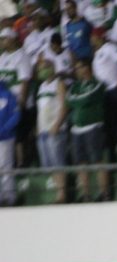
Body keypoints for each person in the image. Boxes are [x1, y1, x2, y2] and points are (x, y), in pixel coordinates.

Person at [67, 59, 108, 201]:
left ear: (87, 68)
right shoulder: (75, 86)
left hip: (93, 127)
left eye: (80, 67)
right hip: (77, 129)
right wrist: (80, 101)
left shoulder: (98, 84)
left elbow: (88, 98)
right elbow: (70, 100)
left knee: (97, 160)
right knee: (80, 162)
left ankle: (104, 193)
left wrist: (79, 101)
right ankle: (86, 194)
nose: (78, 70)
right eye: (76, 68)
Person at [92, 26, 117, 163]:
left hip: (114, 90)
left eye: (94, 36)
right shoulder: (96, 53)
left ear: (99, 37)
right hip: (104, 94)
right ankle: (113, 161)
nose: (92, 39)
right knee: (109, 129)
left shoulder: (109, 47)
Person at [35, 58, 67, 203]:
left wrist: (57, 124)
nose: (42, 71)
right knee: (48, 164)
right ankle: (57, 192)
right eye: (41, 68)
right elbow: (40, 109)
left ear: (52, 68)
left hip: (55, 129)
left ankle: (62, 194)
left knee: (57, 162)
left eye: (45, 67)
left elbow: (63, 106)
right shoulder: (42, 86)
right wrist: (37, 127)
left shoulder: (58, 84)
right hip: (43, 130)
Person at [0, 28, 33, 168]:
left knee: (20, 136)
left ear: (12, 39)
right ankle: (13, 163)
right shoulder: (2, 57)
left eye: (4, 38)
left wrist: (21, 103)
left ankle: (22, 163)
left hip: (18, 102)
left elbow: (25, 81)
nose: (2, 42)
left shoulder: (22, 56)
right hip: (4, 105)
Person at [0, 79, 20, 207]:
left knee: (6, 167)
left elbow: (16, 115)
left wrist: (3, 130)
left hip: (6, 138)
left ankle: (9, 197)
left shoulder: (9, 95)